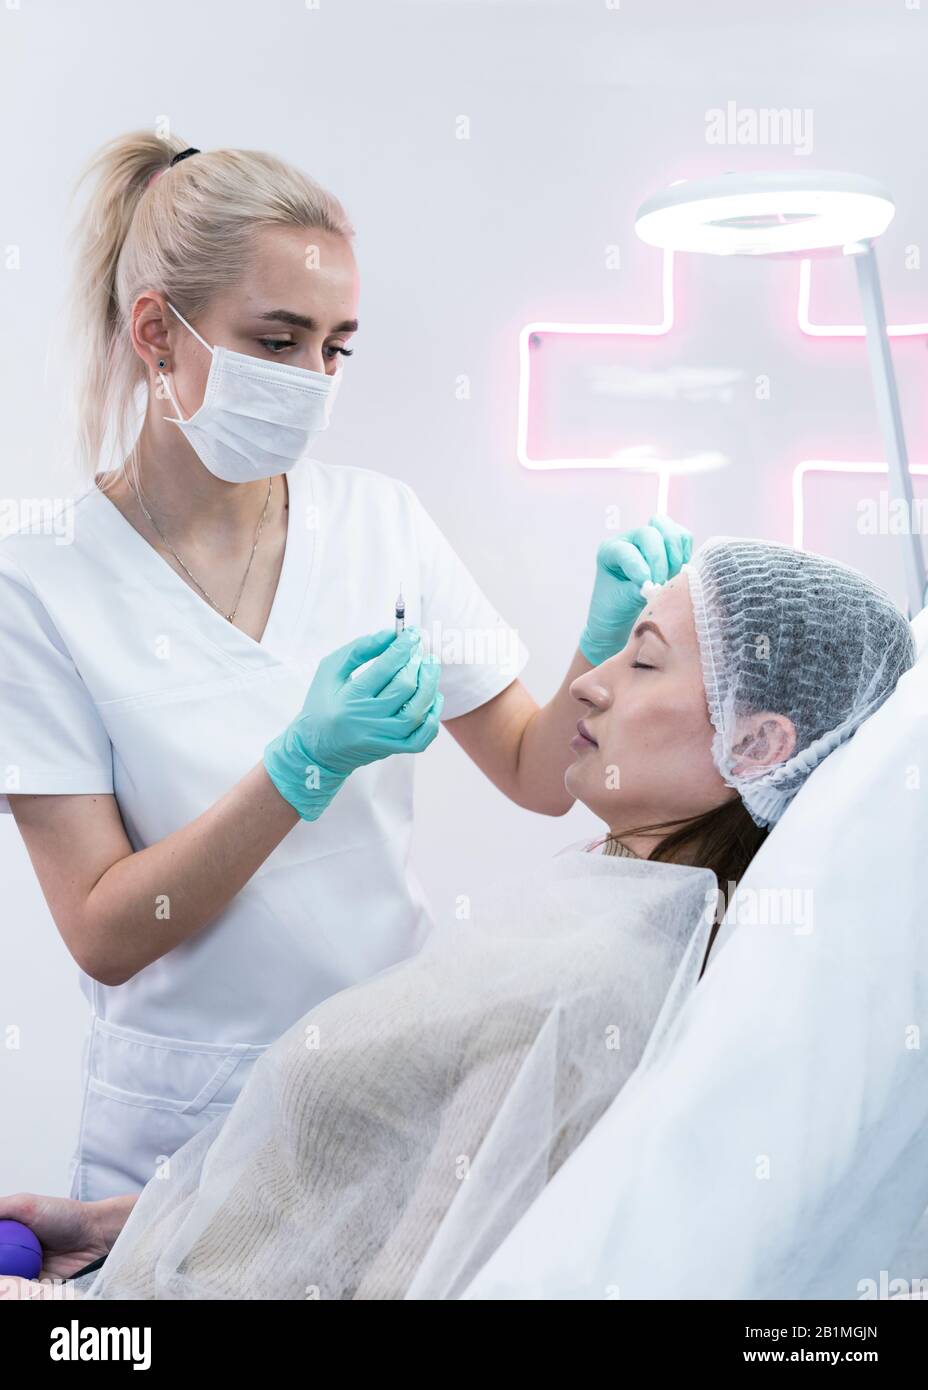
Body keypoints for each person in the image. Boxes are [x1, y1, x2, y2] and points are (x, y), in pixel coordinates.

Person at [0, 129, 691, 1203]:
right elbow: (104, 931)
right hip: (181, 1131)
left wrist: (600, 644)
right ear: (157, 334)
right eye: (277, 341)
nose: (315, 380)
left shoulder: (381, 523)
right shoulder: (38, 579)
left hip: (388, 1089)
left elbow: (533, 771)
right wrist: (297, 773)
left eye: (336, 346)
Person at [2, 537, 914, 1300]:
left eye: (642, 659)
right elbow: (365, 1178)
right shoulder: (590, 916)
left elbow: (421, 1275)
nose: (588, 685)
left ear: (756, 744)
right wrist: (114, 1232)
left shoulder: (596, 989)